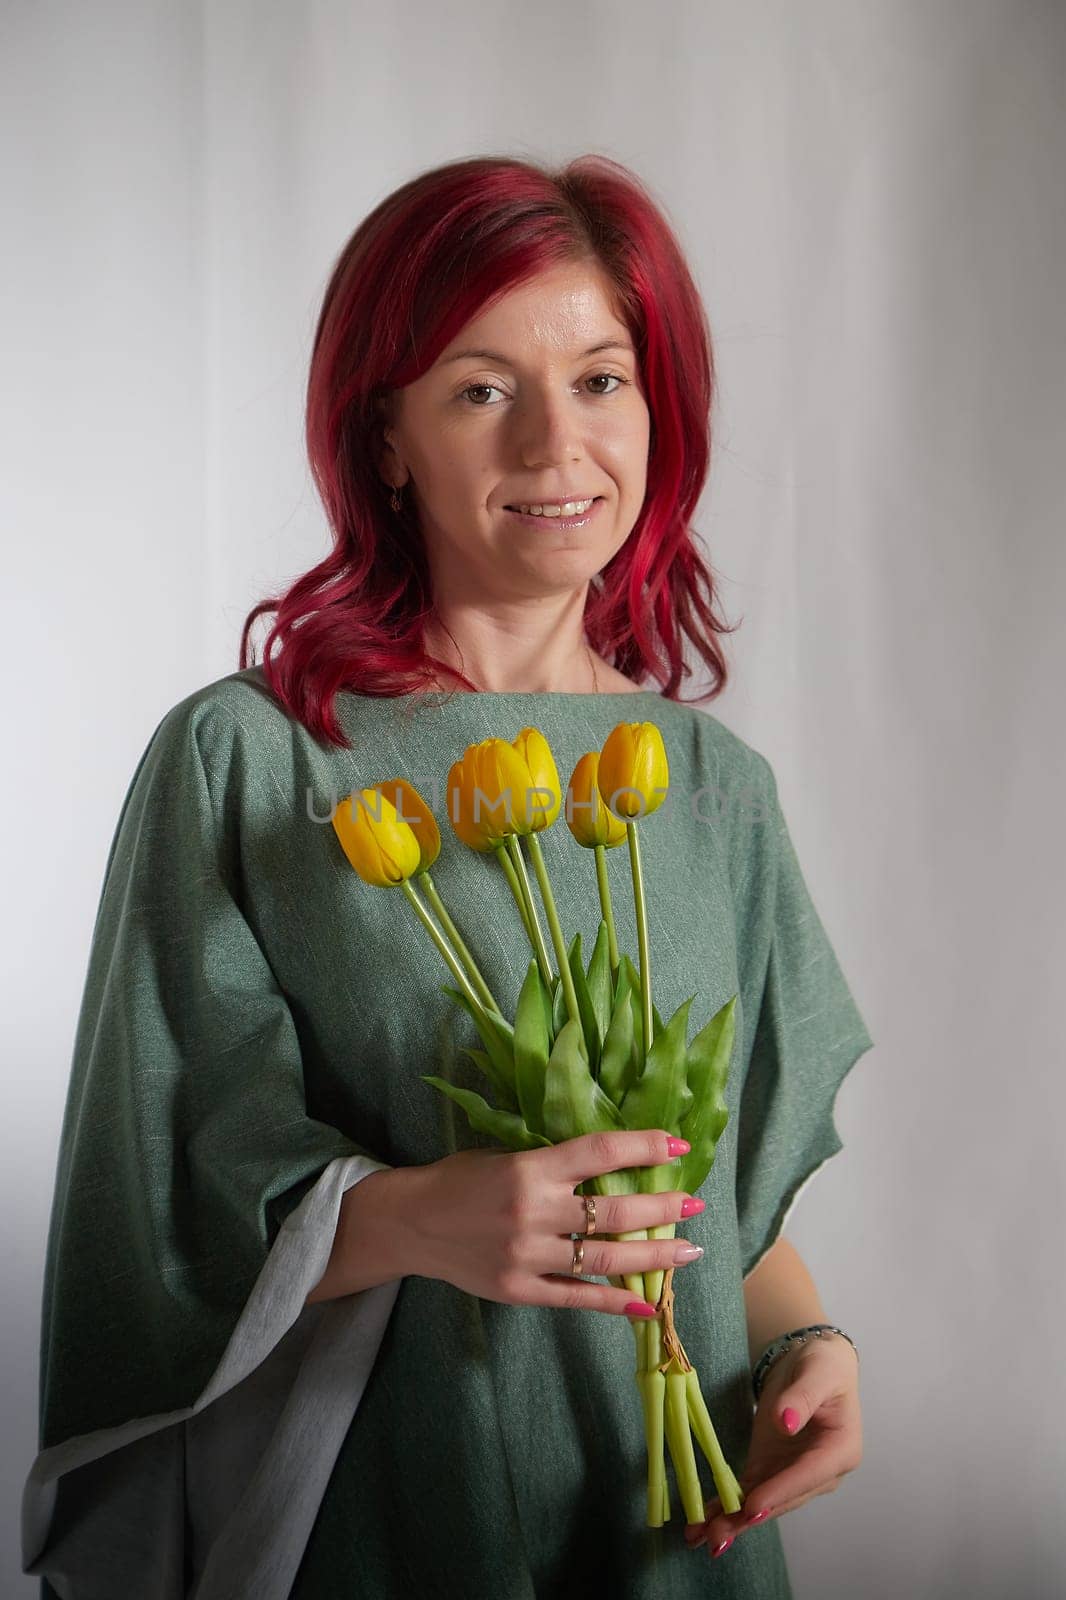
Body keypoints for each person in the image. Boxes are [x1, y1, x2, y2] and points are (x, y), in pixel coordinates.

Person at [22, 153, 874, 1598]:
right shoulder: (253, 763)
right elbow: (153, 1198)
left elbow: (734, 1206)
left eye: (600, 379)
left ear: (656, 410)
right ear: (390, 439)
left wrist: (808, 1348)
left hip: (675, 1523)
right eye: (482, 388)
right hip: (384, 1517)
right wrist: (419, 1216)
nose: (556, 442)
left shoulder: (711, 788)